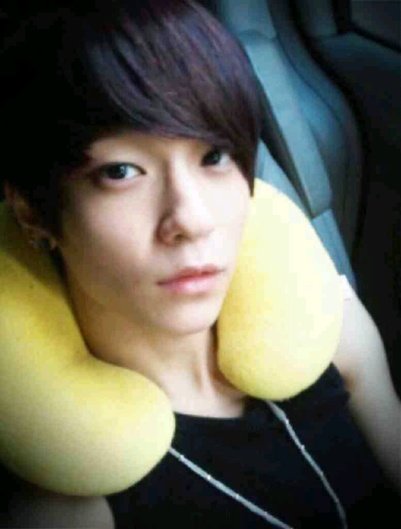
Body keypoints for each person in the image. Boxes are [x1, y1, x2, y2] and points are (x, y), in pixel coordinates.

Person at [0, 1, 399, 528]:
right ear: (32, 211)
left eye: (214, 157)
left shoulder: (330, 323)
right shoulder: (70, 510)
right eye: (120, 172)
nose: (191, 219)